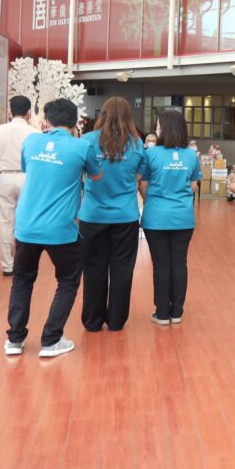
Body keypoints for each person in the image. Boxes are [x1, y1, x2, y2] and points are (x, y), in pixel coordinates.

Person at [5, 99, 102, 357]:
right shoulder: (82, 146)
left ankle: (14, 340)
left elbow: (28, 167)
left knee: (22, 280)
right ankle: (51, 339)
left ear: (46, 120)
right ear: (75, 122)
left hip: (26, 226)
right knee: (68, 281)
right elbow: (97, 175)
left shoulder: (31, 142)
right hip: (61, 229)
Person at [77, 97, 146, 332]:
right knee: (122, 269)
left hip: (92, 216)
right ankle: (116, 320)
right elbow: (138, 179)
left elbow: (80, 174)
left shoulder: (87, 141)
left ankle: (92, 320)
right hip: (125, 216)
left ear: (102, 115)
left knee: (93, 268)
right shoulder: (137, 144)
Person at [140, 110, 201, 326]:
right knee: (179, 263)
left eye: (158, 125)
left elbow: (143, 185)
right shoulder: (192, 155)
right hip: (183, 217)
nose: (156, 129)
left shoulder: (150, 153)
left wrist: (154, 202)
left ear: (163, 128)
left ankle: (162, 312)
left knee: (161, 264)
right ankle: (177, 312)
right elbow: (193, 186)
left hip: (156, 217)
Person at [0, 95, 39, 277]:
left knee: (6, 221)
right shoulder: (35, 134)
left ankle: (7, 265)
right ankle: (24, 261)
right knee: (27, 220)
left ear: (10, 112)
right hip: (28, 178)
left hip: (5, 176)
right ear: (29, 112)